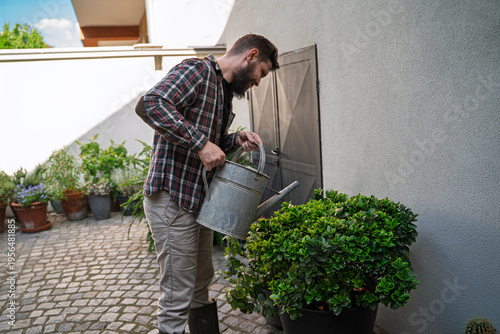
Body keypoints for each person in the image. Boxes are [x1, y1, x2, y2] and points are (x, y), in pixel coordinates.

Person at [135, 34, 280, 334]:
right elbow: (150, 104)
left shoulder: (223, 92)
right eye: (261, 74)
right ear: (251, 55)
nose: (258, 82)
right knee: (177, 292)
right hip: (172, 199)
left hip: (196, 201)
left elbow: (209, 149)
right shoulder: (197, 72)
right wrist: (202, 143)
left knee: (201, 281)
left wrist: (234, 139)